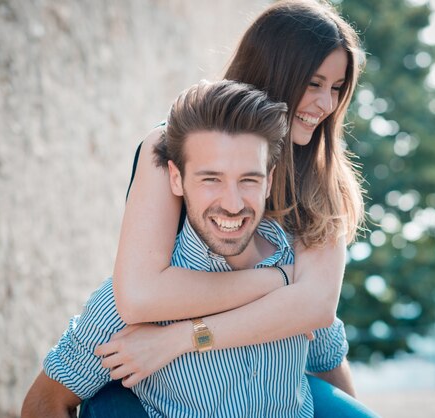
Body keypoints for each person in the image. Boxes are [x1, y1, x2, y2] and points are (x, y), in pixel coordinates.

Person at [87, 0, 372, 416]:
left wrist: (182, 337)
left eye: (336, 88)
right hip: (178, 385)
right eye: (313, 83)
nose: (326, 104)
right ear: (275, 70)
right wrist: (278, 280)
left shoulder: (324, 177)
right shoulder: (172, 144)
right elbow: (140, 296)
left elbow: (315, 308)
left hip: (283, 369)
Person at [21, 80, 371, 418]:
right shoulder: (130, 303)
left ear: (270, 179)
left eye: (249, 179)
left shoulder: (304, 277)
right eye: (211, 179)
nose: (232, 204)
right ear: (176, 178)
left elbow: (330, 367)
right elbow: (42, 404)